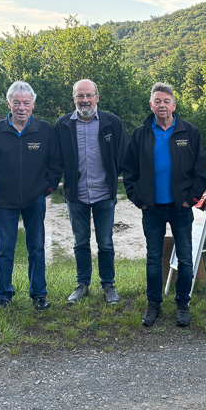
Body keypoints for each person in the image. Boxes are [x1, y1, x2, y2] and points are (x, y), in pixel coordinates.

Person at [122, 82, 206, 328]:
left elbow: (200, 172)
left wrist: (189, 200)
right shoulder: (141, 134)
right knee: (153, 258)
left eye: (166, 101)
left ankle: (182, 305)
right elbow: (129, 172)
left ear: (174, 105)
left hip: (181, 208)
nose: (162, 105)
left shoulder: (189, 132)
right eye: (157, 101)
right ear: (151, 105)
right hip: (152, 209)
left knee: (185, 258)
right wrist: (140, 201)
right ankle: (154, 305)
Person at [0, 82, 63, 311]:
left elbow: (56, 162)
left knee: (36, 247)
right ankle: (3, 295)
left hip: (35, 199)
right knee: (4, 249)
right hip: (5, 201)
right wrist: (2, 185)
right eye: (16, 102)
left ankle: (39, 294)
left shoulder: (45, 129)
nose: (21, 107)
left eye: (26, 103)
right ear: (8, 103)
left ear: (33, 104)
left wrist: (46, 188)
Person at [55, 79, 128, 306]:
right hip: (76, 195)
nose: (84, 100)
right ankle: (82, 284)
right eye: (80, 96)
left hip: (104, 193)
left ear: (97, 97)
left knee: (105, 243)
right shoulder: (63, 125)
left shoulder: (112, 123)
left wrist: (117, 179)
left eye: (88, 95)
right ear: (74, 98)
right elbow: (56, 159)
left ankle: (108, 285)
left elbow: (123, 155)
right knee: (80, 242)